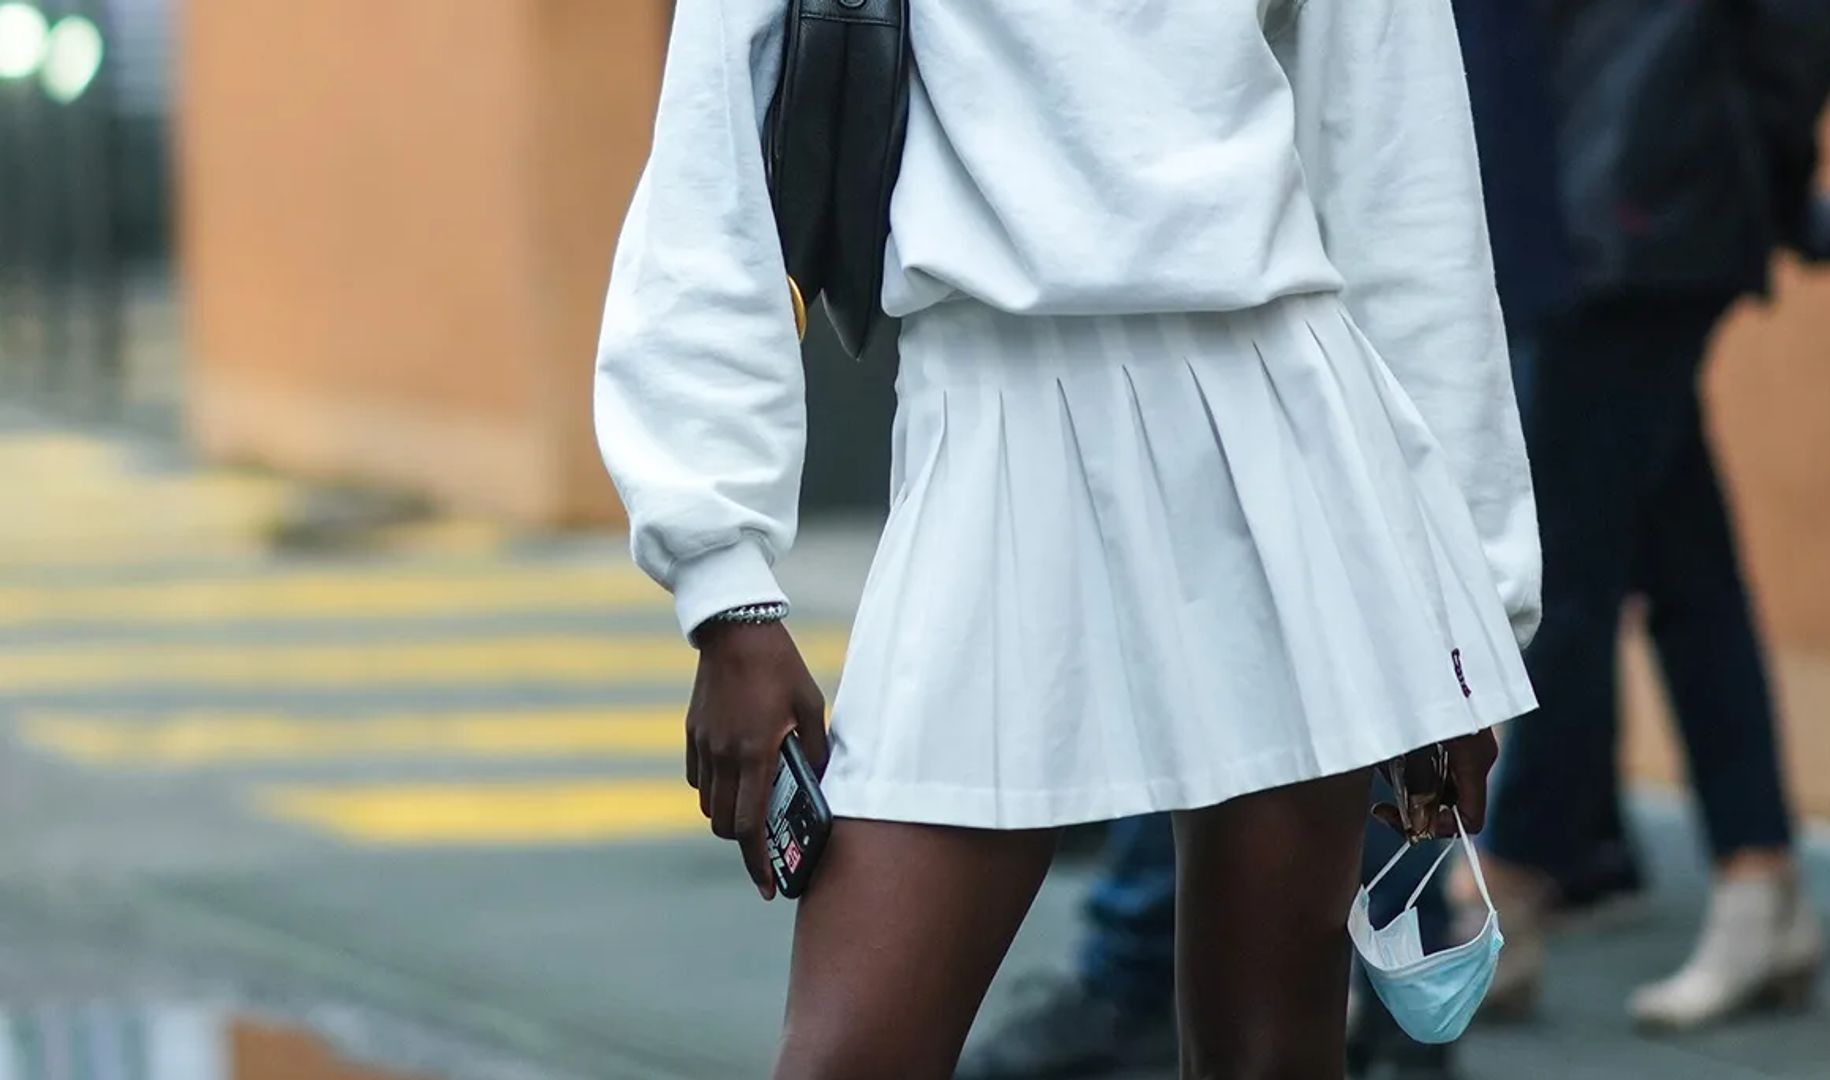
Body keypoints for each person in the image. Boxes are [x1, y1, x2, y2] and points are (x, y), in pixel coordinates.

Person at [594, 2, 1539, 1076]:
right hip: (992, 434)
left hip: (1277, 426)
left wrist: (1459, 613)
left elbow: (1402, 180)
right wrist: (725, 587)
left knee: (1271, 1052)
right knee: (850, 1055)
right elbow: (711, 174)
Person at [953, 3, 1570, 1077]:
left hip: (1281, 395)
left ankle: (1178, 972)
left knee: (1276, 969)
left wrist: (1466, 623)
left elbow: (1406, 208)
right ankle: (1159, 968)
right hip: (994, 409)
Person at [1470, 0, 1830, 1030]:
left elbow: (1796, 34)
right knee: (1683, 562)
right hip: (1578, 210)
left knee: (1562, 573)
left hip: (1629, 214)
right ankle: (1759, 881)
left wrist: (1752, 172)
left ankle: (1503, 888)